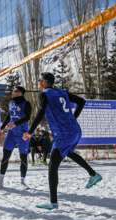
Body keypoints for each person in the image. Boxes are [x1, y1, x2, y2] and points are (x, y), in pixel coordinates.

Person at [22, 72, 102, 210]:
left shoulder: (44, 94)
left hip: (64, 134)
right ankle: (93, 174)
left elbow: (40, 113)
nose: (38, 82)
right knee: (69, 152)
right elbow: (82, 101)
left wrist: (30, 132)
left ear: (45, 82)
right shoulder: (62, 92)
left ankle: (53, 202)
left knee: (52, 167)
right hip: (75, 130)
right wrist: (73, 118)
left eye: (40, 80)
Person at [0, 86, 32, 190]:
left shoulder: (26, 103)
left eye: (14, 91)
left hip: (23, 134)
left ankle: (22, 182)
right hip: (11, 134)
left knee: (23, 158)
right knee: (5, 156)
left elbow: (27, 117)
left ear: (19, 93)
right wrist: (1, 128)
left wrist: (15, 124)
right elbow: (8, 116)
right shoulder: (11, 103)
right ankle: (1, 180)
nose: (12, 93)